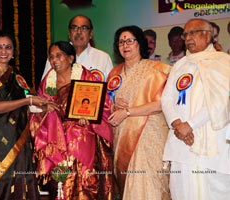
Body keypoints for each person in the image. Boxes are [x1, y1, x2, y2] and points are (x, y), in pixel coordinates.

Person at [0, 30, 54, 200]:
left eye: (8, 47)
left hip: (16, 139)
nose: (3, 51)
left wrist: (47, 105)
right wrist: (27, 102)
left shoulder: (17, 76)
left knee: (19, 183)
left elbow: (33, 100)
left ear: (13, 52)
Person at [30, 41, 114, 199]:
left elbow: (103, 104)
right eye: (51, 56)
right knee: (61, 183)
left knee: (85, 182)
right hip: (56, 140)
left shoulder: (84, 75)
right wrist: (44, 109)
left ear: (70, 58)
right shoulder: (48, 80)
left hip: (82, 138)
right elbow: (37, 111)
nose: (54, 59)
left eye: (59, 55)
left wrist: (88, 116)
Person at [161, 18, 230, 200]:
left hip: (211, 140)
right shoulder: (180, 65)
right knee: (182, 189)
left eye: (193, 32)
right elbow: (166, 98)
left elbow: (221, 101)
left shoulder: (224, 62)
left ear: (208, 35)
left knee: (213, 190)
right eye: (186, 34)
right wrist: (177, 124)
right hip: (181, 139)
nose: (188, 38)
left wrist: (190, 125)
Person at [107, 26, 171, 199]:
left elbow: (162, 104)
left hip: (149, 136)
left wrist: (128, 111)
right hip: (122, 138)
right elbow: (106, 104)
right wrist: (114, 106)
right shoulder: (114, 73)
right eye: (121, 42)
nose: (125, 45)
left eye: (130, 40)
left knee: (149, 185)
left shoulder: (159, 70)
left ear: (139, 43)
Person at [41, 14, 113, 80]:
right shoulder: (55, 56)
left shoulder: (103, 58)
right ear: (69, 33)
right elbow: (44, 87)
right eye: (74, 28)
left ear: (91, 34)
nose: (78, 32)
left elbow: (110, 91)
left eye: (84, 28)